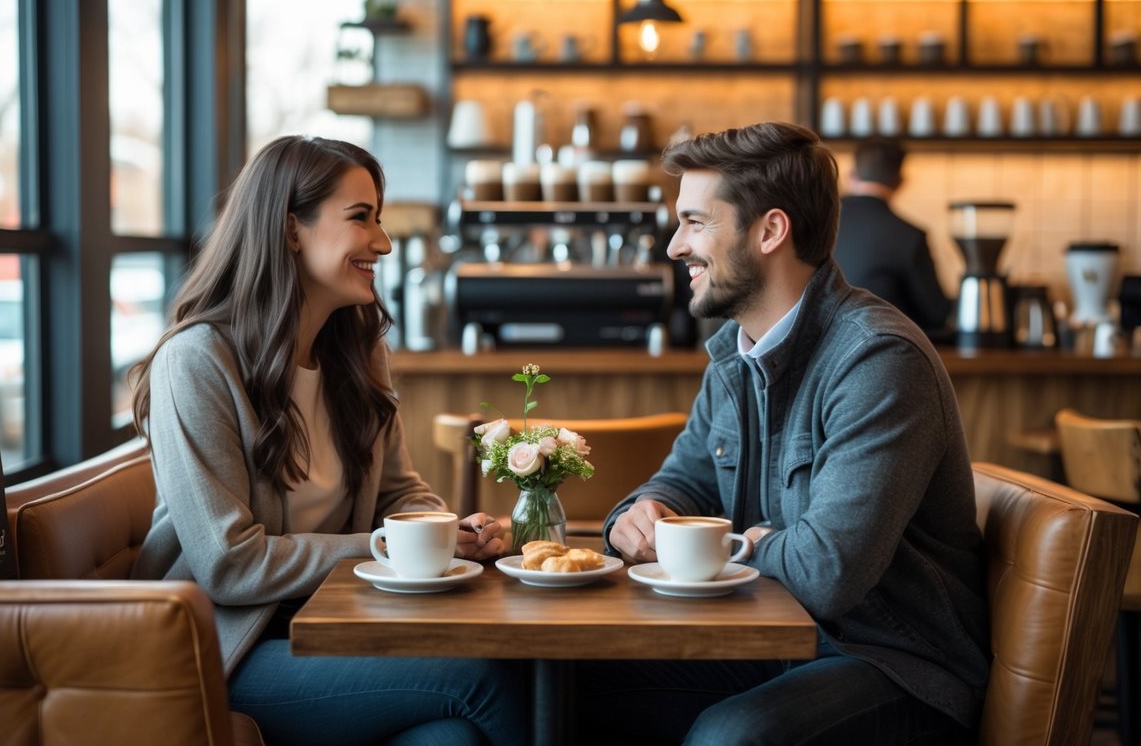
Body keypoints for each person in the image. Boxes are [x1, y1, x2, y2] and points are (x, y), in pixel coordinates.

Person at [579, 122, 990, 744]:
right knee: (557, 689)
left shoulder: (877, 359)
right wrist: (639, 514)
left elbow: (826, 570)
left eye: (695, 222)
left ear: (770, 231)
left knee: (732, 735)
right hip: (772, 636)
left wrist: (722, 545)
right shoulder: (735, 352)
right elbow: (686, 477)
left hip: (892, 662)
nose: (673, 247)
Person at [129, 135, 524, 746]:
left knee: (452, 739)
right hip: (225, 652)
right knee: (483, 679)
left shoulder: (355, 351)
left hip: (332, 625)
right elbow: (230, 565)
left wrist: (445, 533)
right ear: (291, 231)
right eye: (360, 218)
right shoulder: (196, 363)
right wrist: (390, 546)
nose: (383, 243)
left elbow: (402, 493)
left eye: (379, 218)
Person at [832, 137, 951, 336]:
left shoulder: (818, 222)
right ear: (900, 182)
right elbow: (936, 313)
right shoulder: (910, 236)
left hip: (814, 351)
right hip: (883, 350)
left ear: (851, 176)